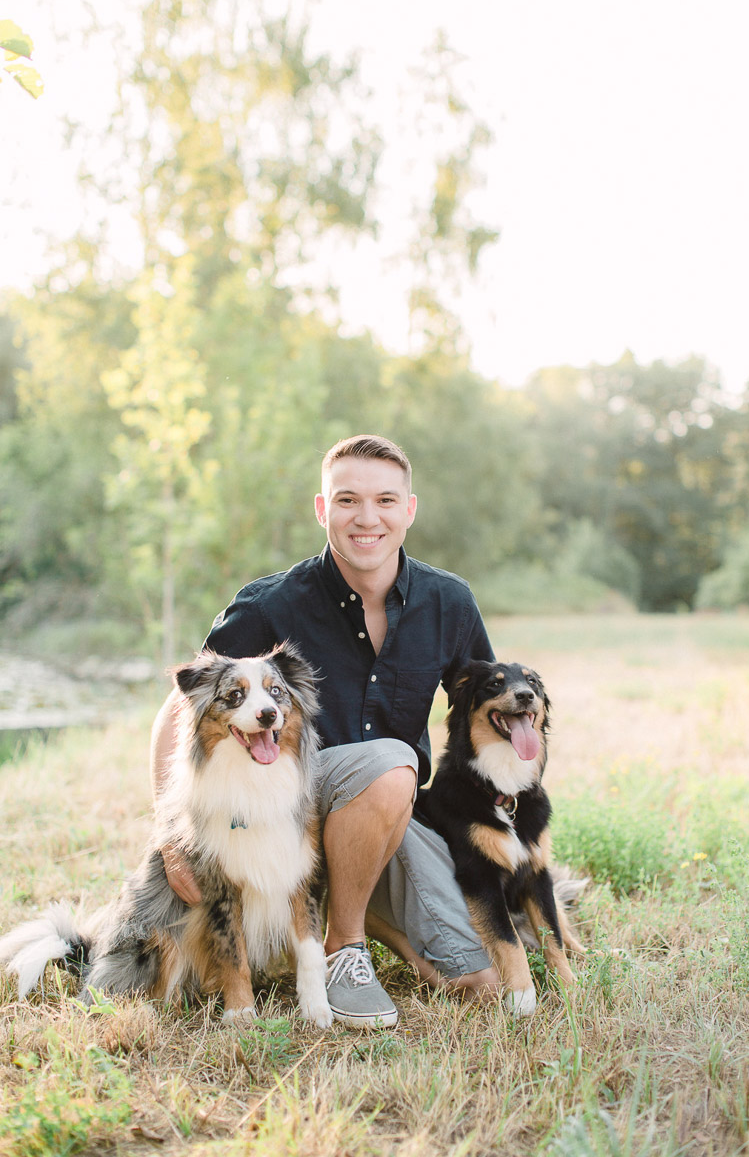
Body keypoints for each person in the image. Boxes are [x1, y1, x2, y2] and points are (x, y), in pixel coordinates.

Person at [150, 434, 503, 1027]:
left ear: (409, 511)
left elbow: (482, 719)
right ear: (323, 509)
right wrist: (171, 835)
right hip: (283, 813)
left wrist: (495, 828)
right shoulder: (270, 605)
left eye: (386, 501)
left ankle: (365, 908)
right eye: (347, 500)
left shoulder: (450, 603)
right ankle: (344, 949)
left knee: (475, 978)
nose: (368, 518)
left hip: (383, 821)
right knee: (392, 764)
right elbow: (179, 708)